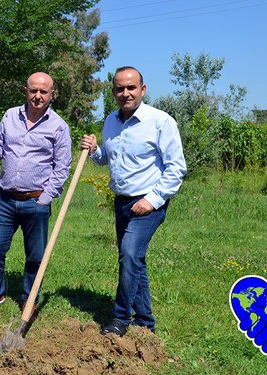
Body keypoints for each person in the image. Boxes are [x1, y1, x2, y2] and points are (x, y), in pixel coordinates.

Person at [80, 66, 186, 336]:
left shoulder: (161, 122)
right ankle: (145, 321)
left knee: (129, 254)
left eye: (131, 88)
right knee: (133, 259)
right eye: (119, 88)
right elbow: (109, 157)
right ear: (113, 91)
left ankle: (120, 319)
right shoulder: (110, 122)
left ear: (143, 89)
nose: (125, 93)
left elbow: (176, 168)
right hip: (122, 202)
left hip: (149, 203)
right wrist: (95, 151)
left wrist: (152, 200)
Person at [0, 72, 72, 316]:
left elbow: (62, 168)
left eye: (43, 92)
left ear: (51, 94)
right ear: (25, 91)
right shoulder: (10, 115)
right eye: (33, 91)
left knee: (36, 256)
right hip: (5, 198)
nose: (38, 96)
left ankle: (29, 298)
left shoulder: (59, 126)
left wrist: (45, 198)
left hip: (36, 200)